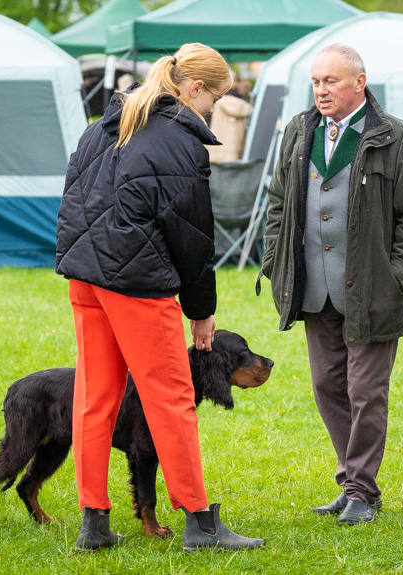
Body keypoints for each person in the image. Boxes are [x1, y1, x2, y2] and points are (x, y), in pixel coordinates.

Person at [55, 42, 264, 553]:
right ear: (194, 89)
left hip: (86, 279)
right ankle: (200, 522)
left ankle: (94, 523)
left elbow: (72, 200)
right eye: (215, 98)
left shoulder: (102, 125)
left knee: (94, 398)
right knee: (171, 399)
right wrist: (203, 314)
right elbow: (191, 237)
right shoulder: (177, 141)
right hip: (137, 285)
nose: (214, 108)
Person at [260, 44, 403, 526]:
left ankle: (360, 489)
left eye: (331, 81)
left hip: (374, 289)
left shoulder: (398, 138)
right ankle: (353, 483)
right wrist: (276, 260)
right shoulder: (299, 131)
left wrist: (400, 275)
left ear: (359, 82)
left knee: (365, 390)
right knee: (327, 386)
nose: (321, 91)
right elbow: (279, 201)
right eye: (316, 82)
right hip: (314, 288)